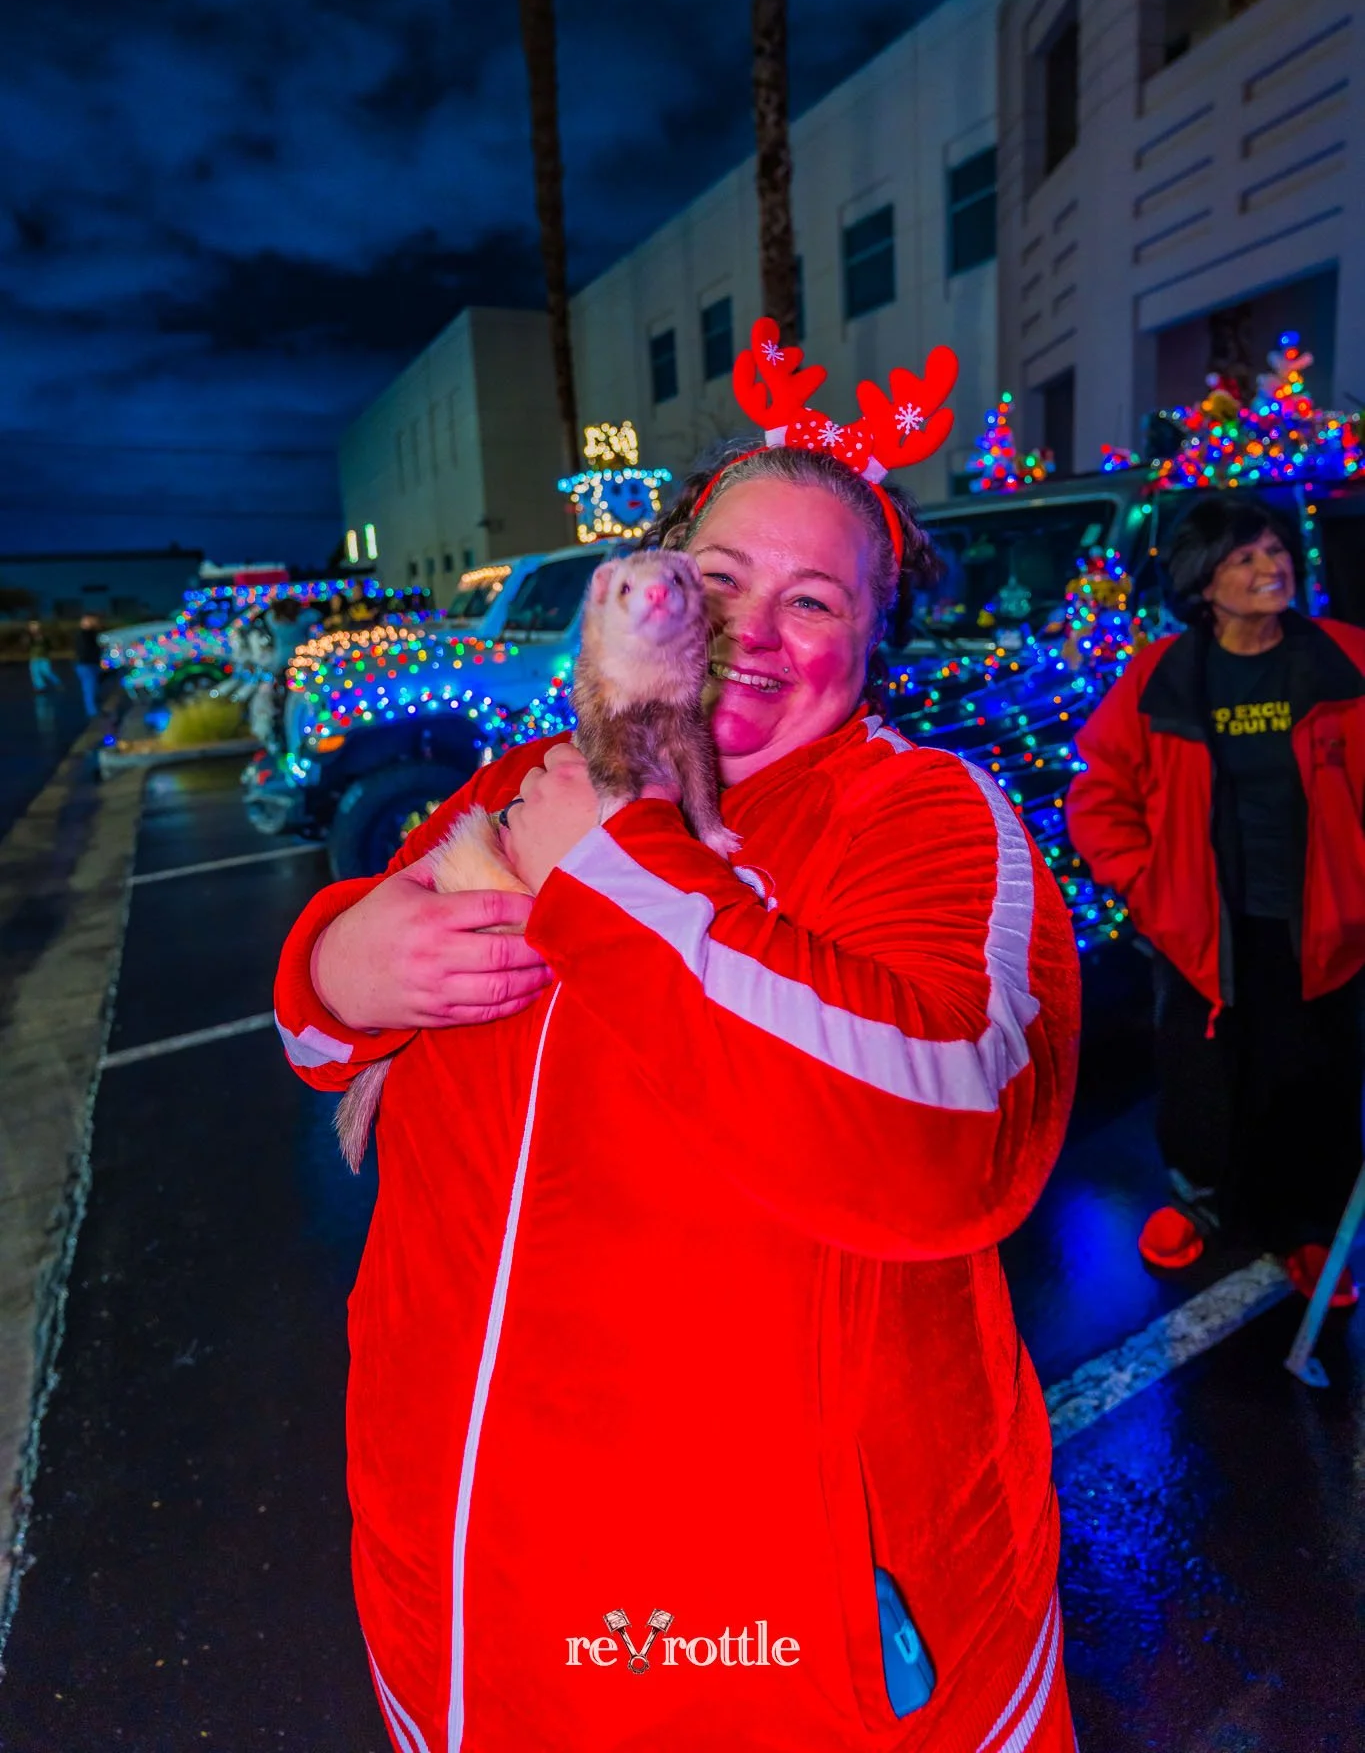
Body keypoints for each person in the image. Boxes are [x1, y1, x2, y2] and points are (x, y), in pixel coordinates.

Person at [275, 323, 1081, 1753]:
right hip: (466, 1593)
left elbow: (946, 1133)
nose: (752, 632)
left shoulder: (922, 816)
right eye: (718, 581)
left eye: (816, 601)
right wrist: (338, 967)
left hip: (775, 1640)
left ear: (875, 639)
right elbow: (332, 1040)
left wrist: (619, 868)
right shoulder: (533, 780)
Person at [1067, 494, 1365, 1304]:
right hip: (1198, 926)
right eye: (1245, 557)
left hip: (1323, 925)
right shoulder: (1158, 677)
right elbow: (1098, 795)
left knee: (1313, 1077)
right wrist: (1141, 882)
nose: (1272, 567)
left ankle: (1307, 1228)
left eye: (1275, 550)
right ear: (1202, 581)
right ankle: (1201, 1207)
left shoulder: (1344, 659)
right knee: (1202, 1071)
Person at [74, 613, 104, 717]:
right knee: (90, 689)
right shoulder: (85, 635)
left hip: (88, 664)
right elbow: (89, 650)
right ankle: (93, 712)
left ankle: (94, 710)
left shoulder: (89, 634)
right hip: (86, 664)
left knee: (93, 688)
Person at [26, 620, 62, 694]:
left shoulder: (44, 636)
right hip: (34, 657)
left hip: (44, 657)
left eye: (35, 627)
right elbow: (26, 645)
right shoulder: (28, 637)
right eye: (32, 627)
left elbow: (50, 645)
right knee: (35, 673)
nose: (33, 629)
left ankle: (57, 682)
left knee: (46, 671)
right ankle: (40, 687)